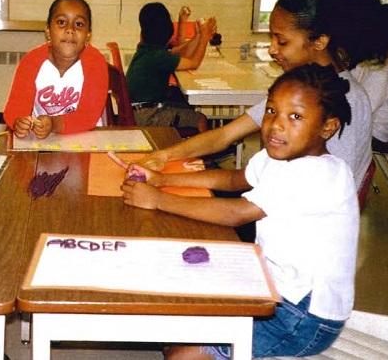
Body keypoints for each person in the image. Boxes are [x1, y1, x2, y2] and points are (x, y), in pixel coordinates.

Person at [122, 64, 359, 359]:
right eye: (271, 111)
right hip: (271, 287)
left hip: (302, 316)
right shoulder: (279, 157)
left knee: (181, 356)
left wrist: (157, 199)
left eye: (295, 116)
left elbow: (238, 213)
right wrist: (163, 179)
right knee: (179, 313)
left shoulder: (318, 172)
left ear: (328, 127)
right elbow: (234, 179)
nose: (276, 125)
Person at [135, 0, 372, 190]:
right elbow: (225, 135)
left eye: (282, 41)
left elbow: (334, 192)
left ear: (320, 41)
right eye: (271, 38)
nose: (272, 49)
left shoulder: (345, 100)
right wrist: (164, 155)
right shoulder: (302, 88)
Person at [3, 0, 109, 139]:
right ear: (48, 30)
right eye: (61, 22)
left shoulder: (96, 63)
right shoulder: (31, 61)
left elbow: (88, 115)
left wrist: (54, 124)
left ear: (88, 34)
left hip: (85, 138)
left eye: (79, 24)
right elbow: (15, 106)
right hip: (40, 141)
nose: (70, 29)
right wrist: (18, 122)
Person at [125, 3, 216, 131]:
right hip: (147, 116)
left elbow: (181, 53)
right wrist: (205, 37)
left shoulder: (147, 50)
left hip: (138, 111)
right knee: (200, 119)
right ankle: (202, 150)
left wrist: (199, 35)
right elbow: (194, 62)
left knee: (183, 103)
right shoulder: (158, 57)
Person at [350, 1, 388, 143]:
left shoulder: (385, 61)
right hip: (367, 119)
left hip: (377, 127)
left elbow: (367, 103)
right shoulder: (374, 54)